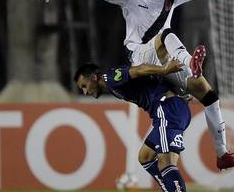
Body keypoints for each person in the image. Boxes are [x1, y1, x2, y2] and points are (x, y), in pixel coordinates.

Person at [41, 0, 234, 169]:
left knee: (209, 95)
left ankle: (222, 155)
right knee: (165, 35)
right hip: (139, 55)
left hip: (162, 57)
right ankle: (192, 66)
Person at [74, 49, 203, 192]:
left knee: (166, 164)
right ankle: (168, 187)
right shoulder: (110, 83)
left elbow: (139, 70)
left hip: (166, 109)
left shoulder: (109, 78)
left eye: (84, 86)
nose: (85, 92)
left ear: (93, 77)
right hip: (170, 110)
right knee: (145, 157)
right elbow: (148, 79)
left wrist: (164, 69)